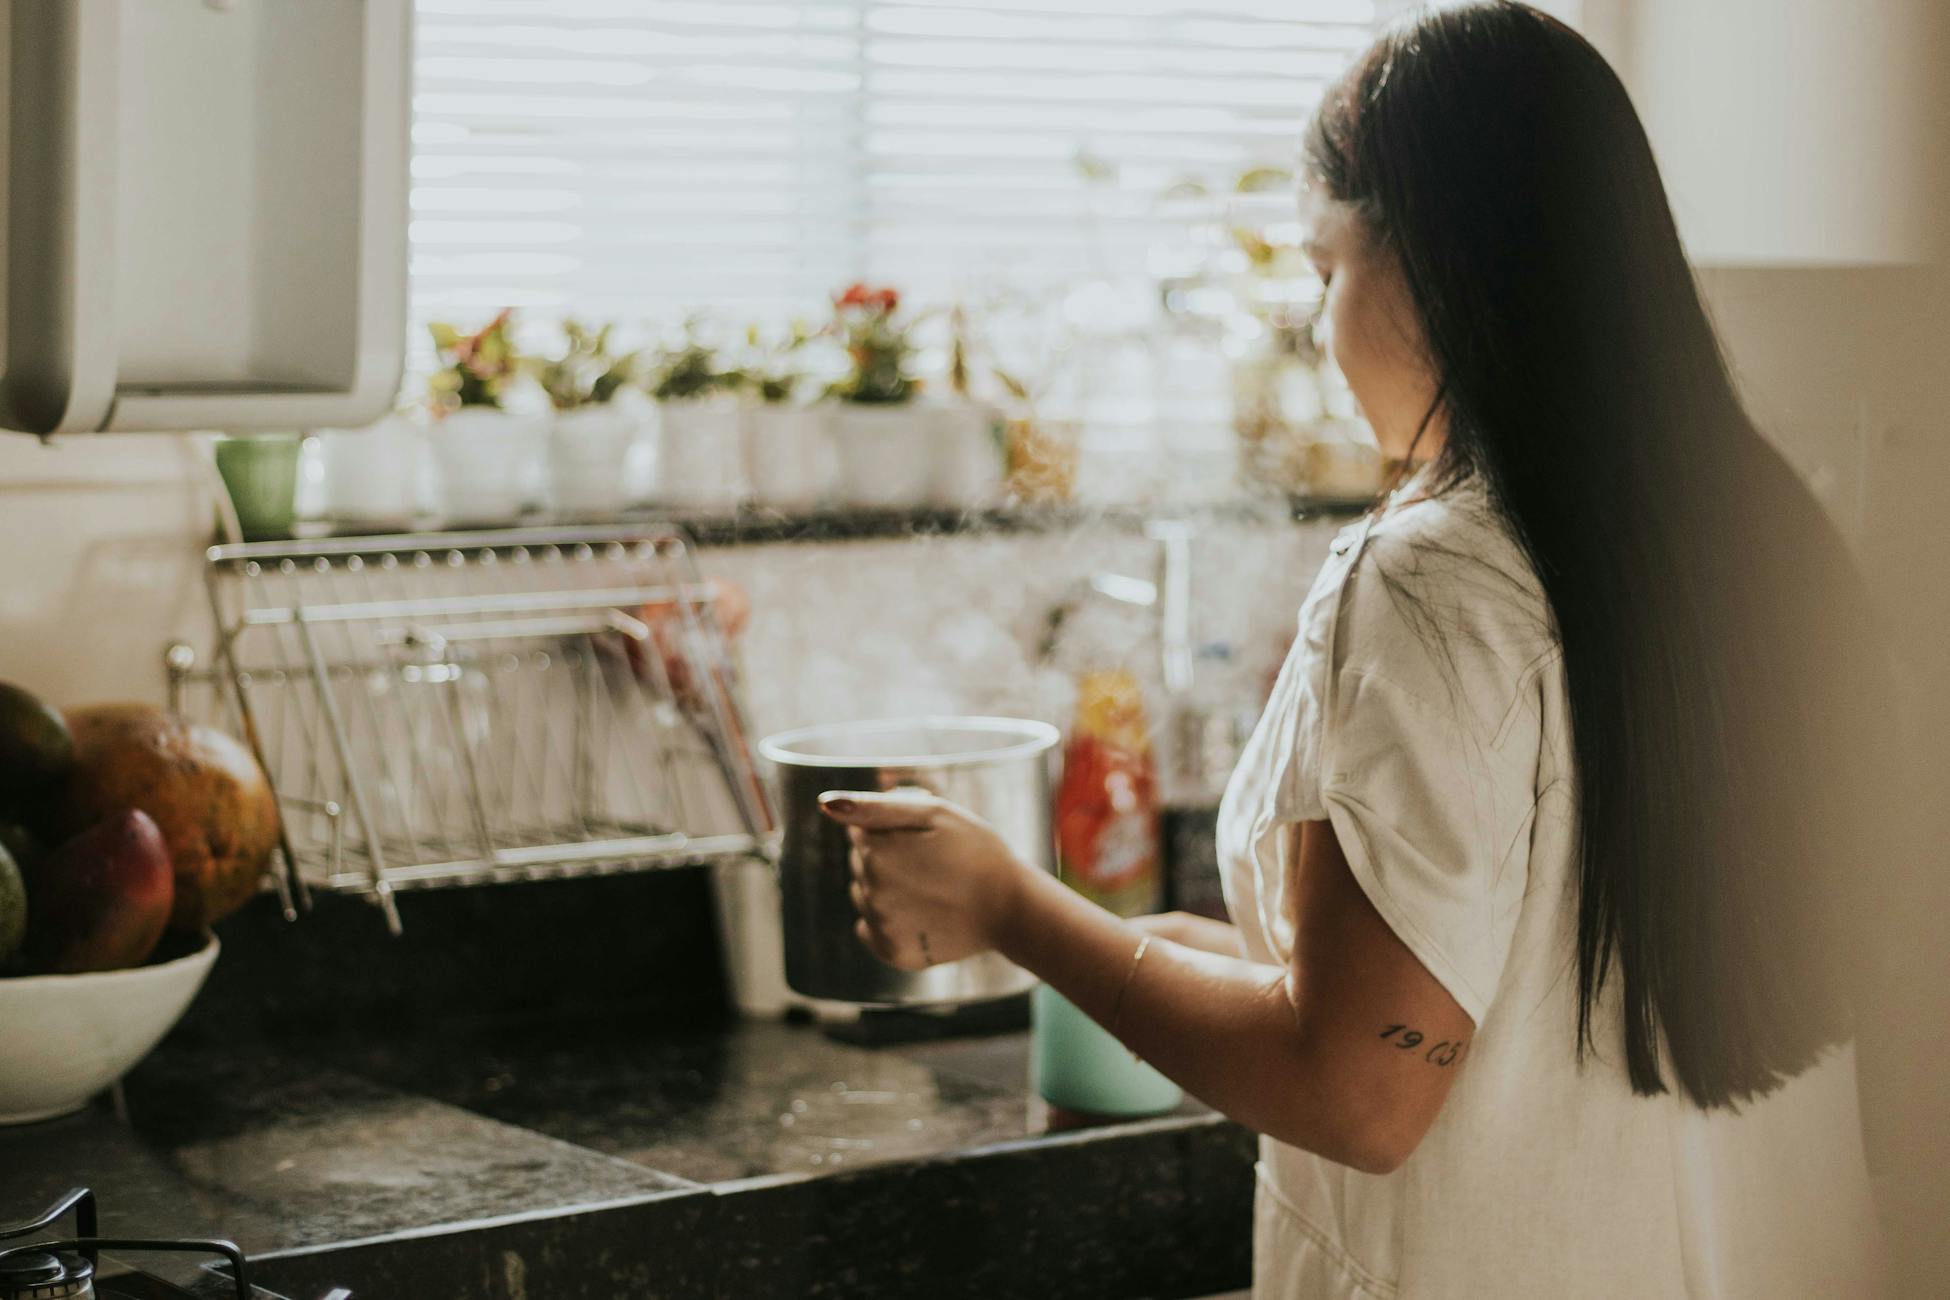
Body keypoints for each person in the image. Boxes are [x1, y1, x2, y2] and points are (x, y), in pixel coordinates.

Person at [820, 4, 1889, 1294]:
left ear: (1426, 259)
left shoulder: (1430, 576)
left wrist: (1010, 906)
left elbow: (1359, 1088)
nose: (1321, 330)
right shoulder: (1760, 533)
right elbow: (1516, 986)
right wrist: (1175, 954)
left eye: (1327, 270)